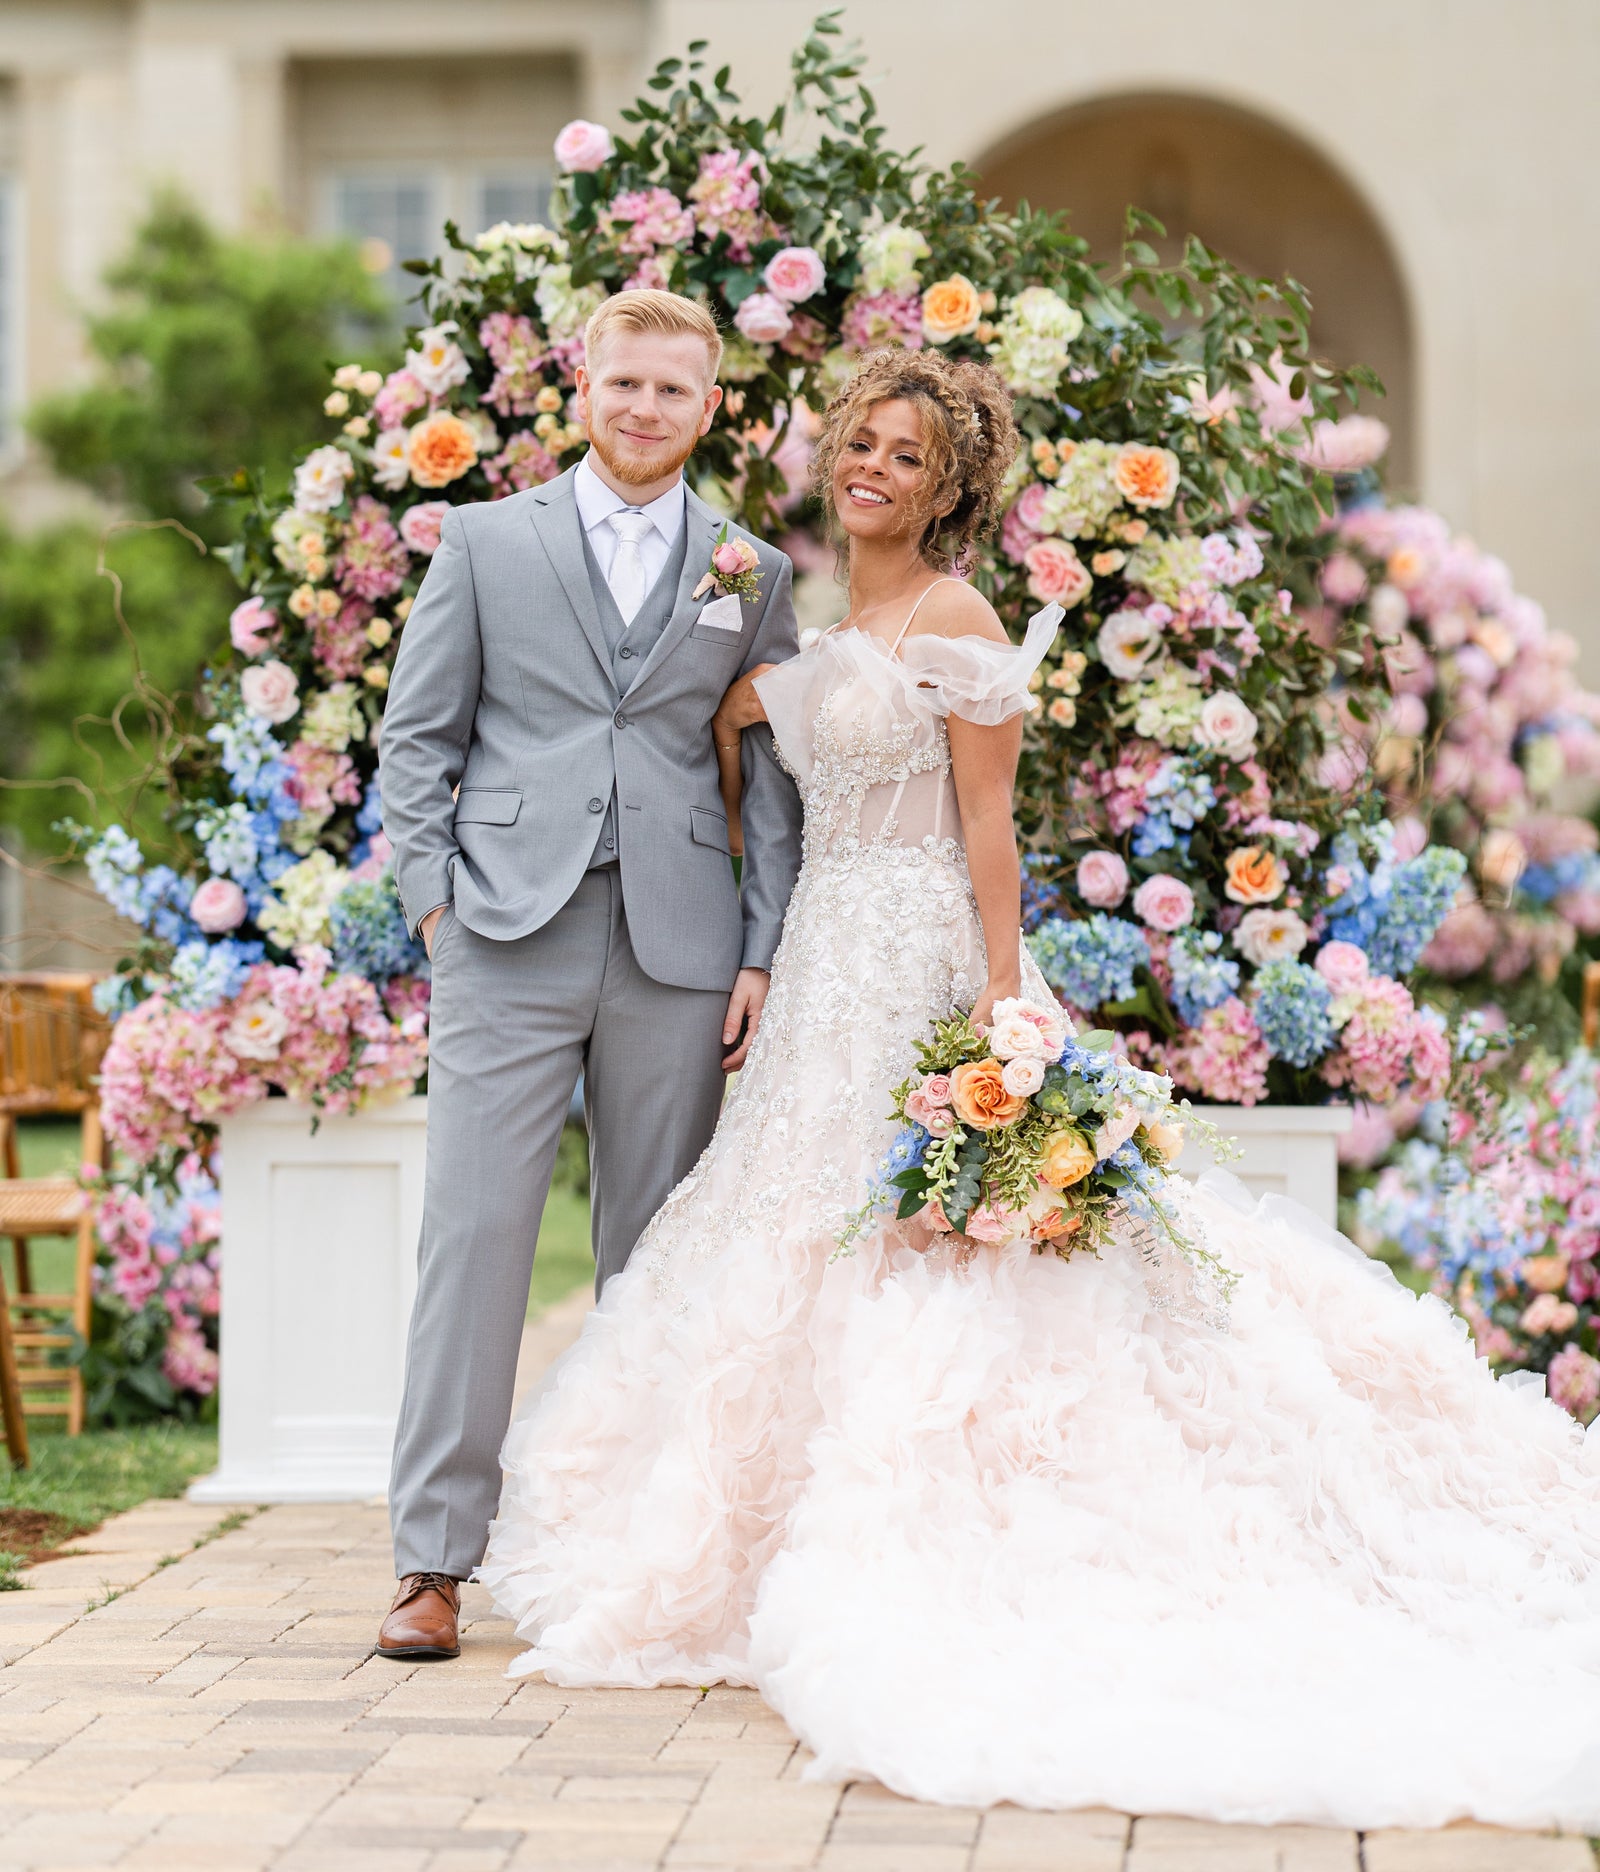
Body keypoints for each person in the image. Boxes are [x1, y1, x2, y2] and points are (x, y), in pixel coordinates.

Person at [480, 342, 1600, 1831]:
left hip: (927, 958)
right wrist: (755, 716)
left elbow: (987, 833)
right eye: (861, 443)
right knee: (786, 1223)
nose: (875, 466)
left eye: (910, 455)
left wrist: (1007, 1014)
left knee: (925, 1247)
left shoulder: (958, 618)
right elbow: (768, 782)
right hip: (823, 965)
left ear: (949, 491)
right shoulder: (830, 615)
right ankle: (737, 1540)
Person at [374, 288, 804, 1662]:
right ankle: (433, 1560)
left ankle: (625, 1556)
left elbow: (769, 777)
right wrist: (437, 907)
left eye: (674, 391)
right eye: (625, 383)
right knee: (475, 1242)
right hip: (503, 933)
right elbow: (417, 740)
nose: (645, 409)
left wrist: (758, 948)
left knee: (655, 1256)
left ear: (710, 406)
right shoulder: (489, 543)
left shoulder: (748, 572)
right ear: (582, 384)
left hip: (678, 947)